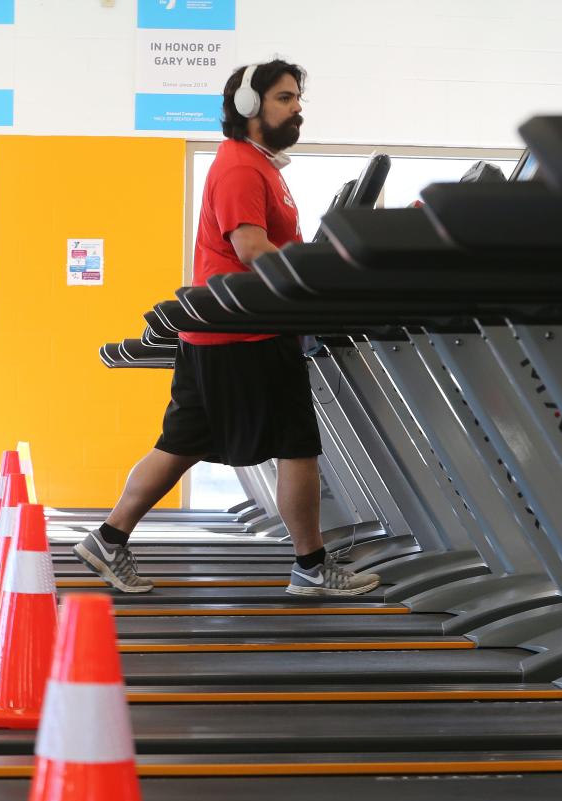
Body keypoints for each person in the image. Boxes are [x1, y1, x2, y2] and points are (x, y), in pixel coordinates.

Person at [72, 59, 379, 598]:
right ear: (249, 107)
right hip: (246, 330)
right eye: (285, 98)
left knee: (183, 442)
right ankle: (310, 566)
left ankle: (108, 539)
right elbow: (251, 248)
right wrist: (317, 272)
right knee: (296, 445)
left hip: (227, 329)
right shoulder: (241, 168)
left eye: (296, 98)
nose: (297, 108)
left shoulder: (258, 166)